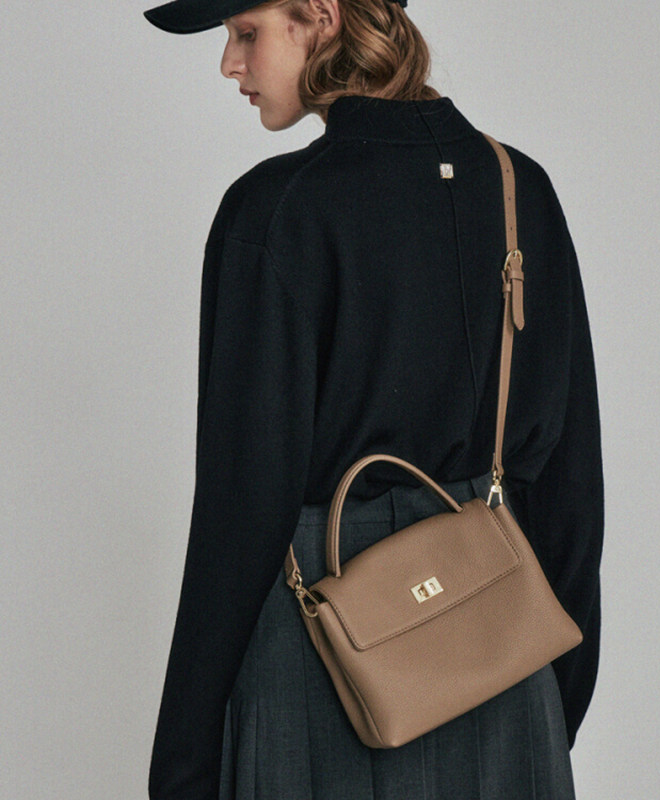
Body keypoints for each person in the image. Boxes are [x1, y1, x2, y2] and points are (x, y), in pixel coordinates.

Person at [143, 0, 604, 798]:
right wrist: (550, 697)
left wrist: (185, 759)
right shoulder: (516, 186)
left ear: (321, 15)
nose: (229, 65)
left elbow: (242, 507)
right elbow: (569, 483)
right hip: (501, 655)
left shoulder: (276, 209)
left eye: (247, 33)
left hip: (317, 664)